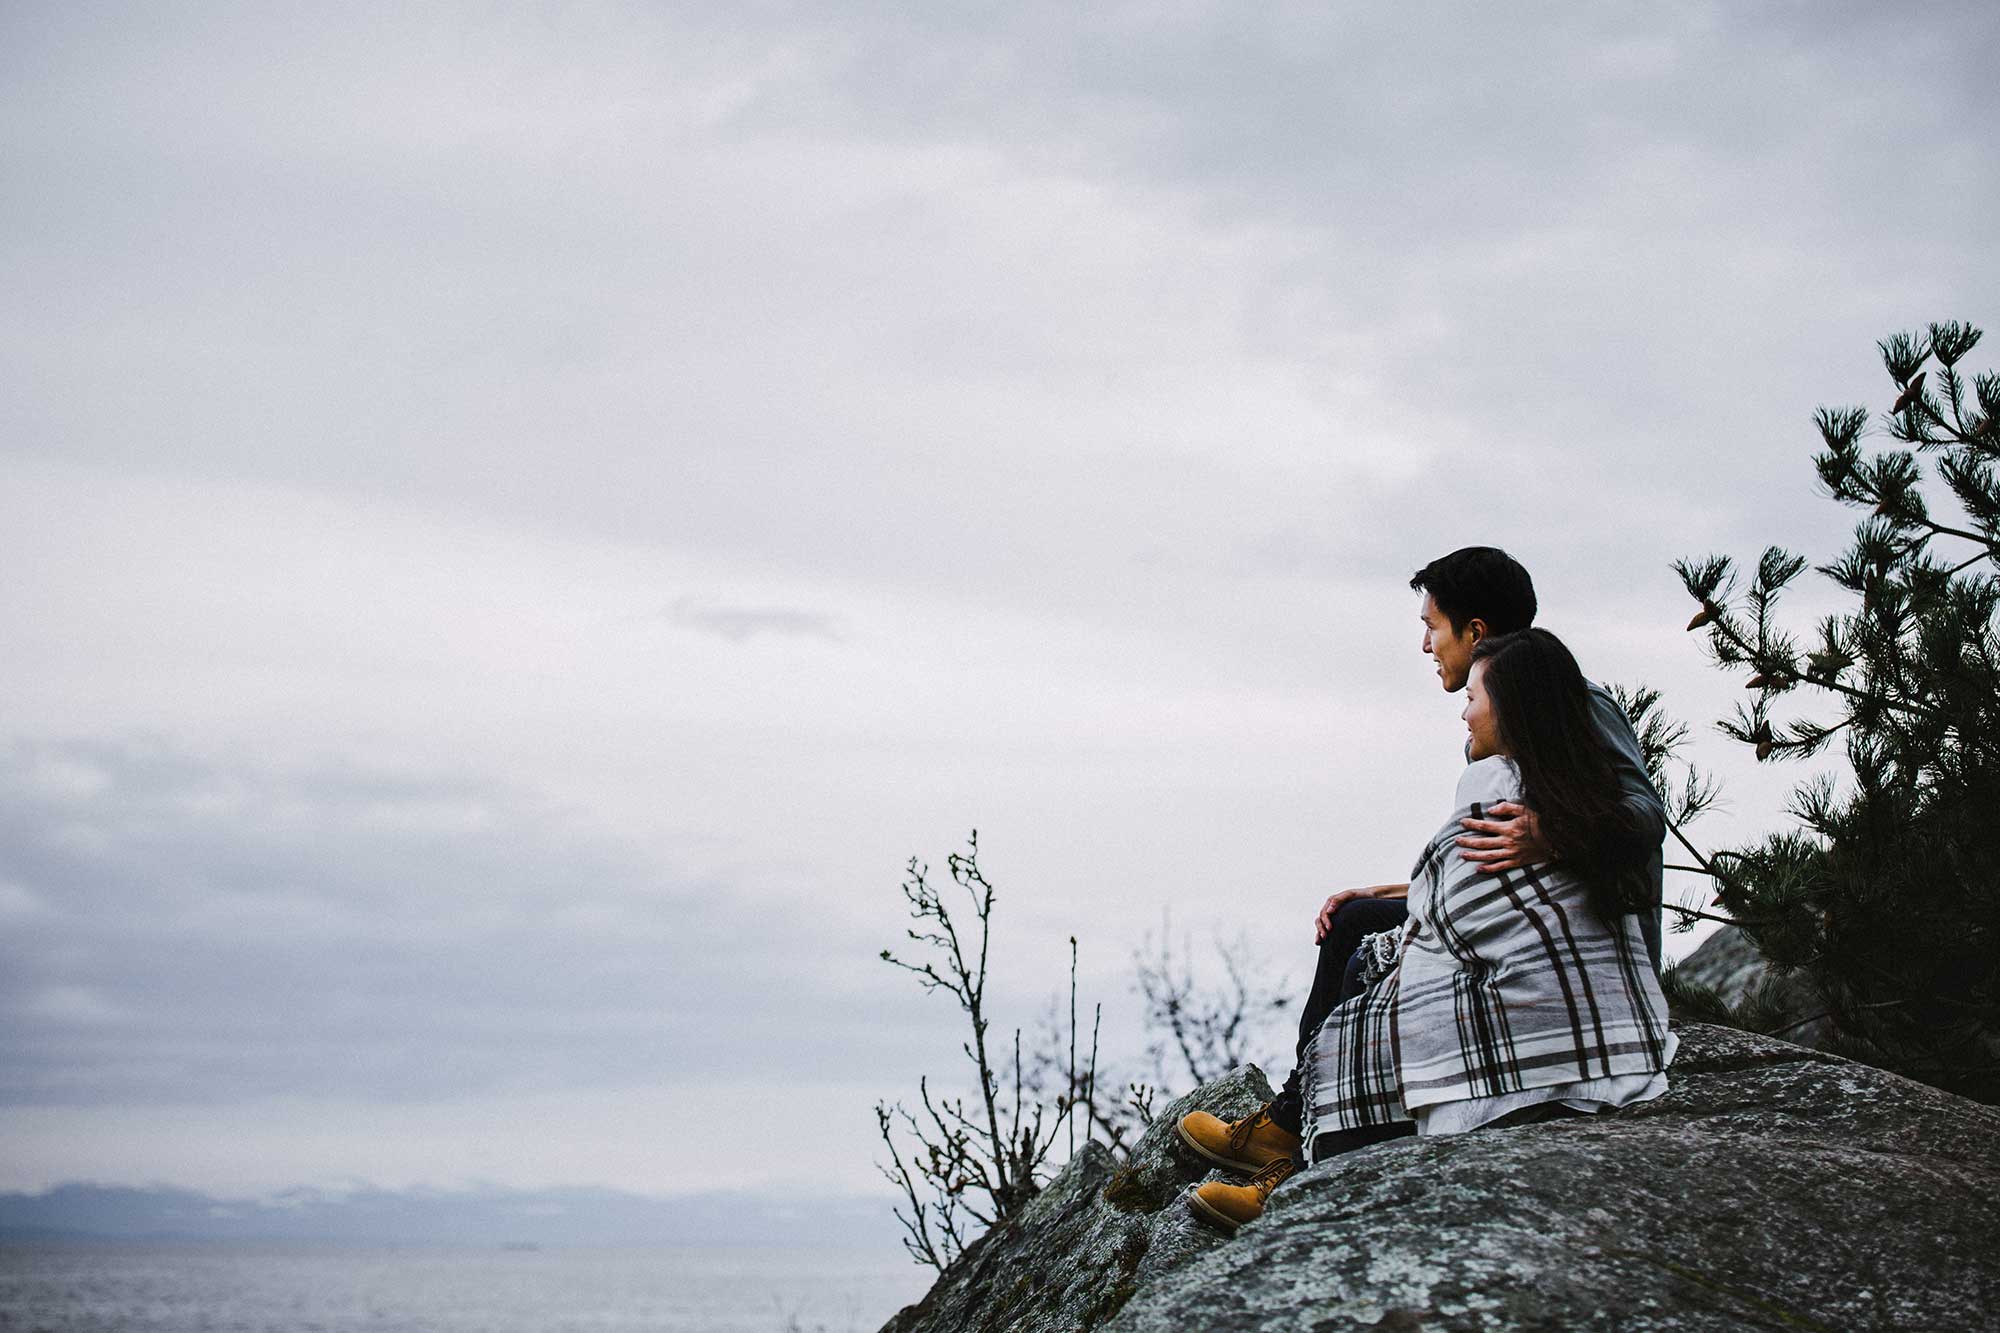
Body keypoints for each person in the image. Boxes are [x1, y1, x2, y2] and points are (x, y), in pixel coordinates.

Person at [1176, 548, 1667, 1229]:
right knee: (1356, 918)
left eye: (1432, 626)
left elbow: (1641, 815)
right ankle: (1292, 1123)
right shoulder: (1502, 716)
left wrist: (1548, 832)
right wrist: (1412, 887)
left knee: (1373, 957)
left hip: (1571, 954)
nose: (1426, 645)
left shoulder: (1567, 700)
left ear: (1474, 630)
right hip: (1528, 930)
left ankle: (1303, 1154)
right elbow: (1498, 859)